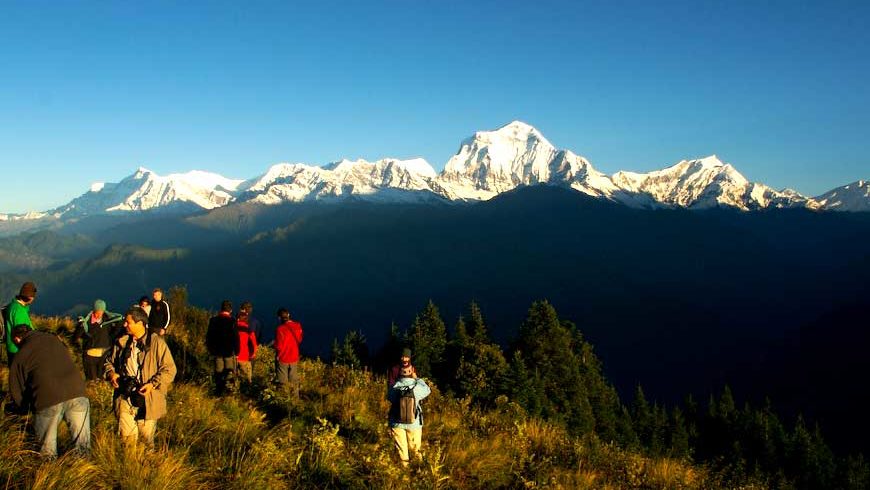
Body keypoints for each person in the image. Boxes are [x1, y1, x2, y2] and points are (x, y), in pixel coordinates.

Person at [9, 325, 90, 457]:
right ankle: (85, 474)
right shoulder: (53, 339)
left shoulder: (21, 354)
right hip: (77, 392)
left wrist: (24, 409)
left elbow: (16, 389)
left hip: (47, 398)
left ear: (17, 339)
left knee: (47, 450)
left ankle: (50, 475)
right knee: (82, 445)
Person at [104, 307, 177, 447]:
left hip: (148, 400)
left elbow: (170, 369)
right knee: (127, 440)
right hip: (124, 396)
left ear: (140, 323)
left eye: (128, 322)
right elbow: (108, 363)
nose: (125, 325)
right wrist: (111, 374)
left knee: (146, 441)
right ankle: (130, 466)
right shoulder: (121, 342)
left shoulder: (157, 343)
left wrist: (152, 384)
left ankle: (147, 467)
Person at [388, 365, 431, 466]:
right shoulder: (417, 387)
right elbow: (428, 390)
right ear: (411, 372)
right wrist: (417, 379)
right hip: (414, 423)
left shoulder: (395, 387)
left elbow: (389, 397)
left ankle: (405, 474)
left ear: (400, 373)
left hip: (396, 422)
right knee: (416, 449)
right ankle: (419, 470)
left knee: (402, 451)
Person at [76, 299, 123, 381]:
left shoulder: (108, 320)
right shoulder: (86, 322)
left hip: (104, 356)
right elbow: (77, 336)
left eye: (101, 312)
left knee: (103, 380)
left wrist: (119, 322)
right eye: (97, 312)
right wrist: (81, 326)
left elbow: (115, 332)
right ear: (94, 310)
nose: (99, 314)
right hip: (90, 357)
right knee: (92, 381)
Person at [206, 300, 238, 395]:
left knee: (218, 372)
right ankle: (229, 393)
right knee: (229, 372)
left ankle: (218, 392)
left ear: (221, 309)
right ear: (230, 310)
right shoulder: (232, 321)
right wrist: (237, 352)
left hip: (217, 352)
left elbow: (209, 337)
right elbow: (236, 338)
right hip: (228, 352)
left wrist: (211, 350)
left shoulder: (213, 320)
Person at [4, 281, 37, 367]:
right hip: (19, 351)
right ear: (30, 297)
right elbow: (19, 336)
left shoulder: (13, 306)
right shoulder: (19, 311)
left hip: (13, 350)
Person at [274, 308, 303, 397]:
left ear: (279, 318)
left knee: (283, 382)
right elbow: (300, 339)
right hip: (294, 357)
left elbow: (279, 346)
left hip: (283, 358)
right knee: (294, 381)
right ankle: (295, 400)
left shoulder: (280, 329)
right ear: (288, 315)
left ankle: (284, 401)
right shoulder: (298, 326)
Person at [235, 308, 258, 384]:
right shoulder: (249, 331)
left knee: (234, 378)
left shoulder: (232, 328)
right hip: (245, 357)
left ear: (237, 319)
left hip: (233, 357)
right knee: (247, 379)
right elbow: (254, 345)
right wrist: (252, 355)